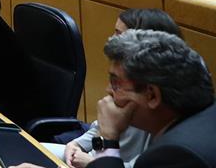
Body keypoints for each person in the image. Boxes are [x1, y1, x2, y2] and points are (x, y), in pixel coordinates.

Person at [51, 9, 182, 168]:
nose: (109, 90)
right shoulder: (127, 82)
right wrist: (78, 145)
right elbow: (103, 130)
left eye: (119, 34)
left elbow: (141, 163)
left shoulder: (149, 102)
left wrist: (92, 162)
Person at [83, 30, 216, 168]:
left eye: (116, 83)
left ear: (152, 95)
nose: (108, 91)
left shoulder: (174, 155)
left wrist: (107, 138)